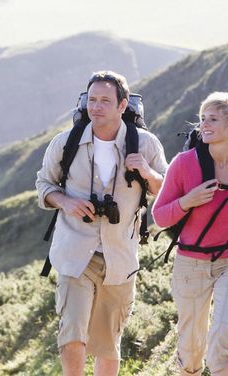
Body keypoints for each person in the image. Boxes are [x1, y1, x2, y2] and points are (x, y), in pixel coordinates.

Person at [36, 70, 168, 376]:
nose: (96, 106)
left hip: (120, 257)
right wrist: (66, 202)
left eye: (105, 100)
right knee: (72, 335)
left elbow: (166, 191)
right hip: (74, 253)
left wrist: (147, 172)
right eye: (92, 99)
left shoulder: (145, 144)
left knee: (108, 343)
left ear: (122, 105)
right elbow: (44, 184)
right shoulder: (65, 142)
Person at [152, 92, 228, 376]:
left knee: (223, 336)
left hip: (227, 261)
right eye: (202, 119)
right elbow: (159, 216)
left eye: (213, 119)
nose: (204, 125)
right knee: (191, 348)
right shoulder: (184, 163)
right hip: (190, 264)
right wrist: (188, 201)